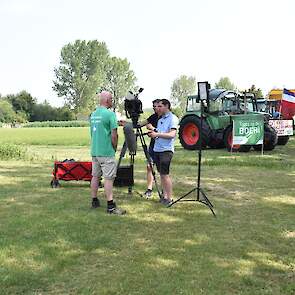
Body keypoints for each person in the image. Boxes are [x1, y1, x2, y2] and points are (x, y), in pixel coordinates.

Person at [90, 91, 126, 215]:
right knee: (109, 179)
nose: (112, 101)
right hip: (106, 151)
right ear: (106, 100)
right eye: (111, 99)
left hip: (95, 151)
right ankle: (110, 206)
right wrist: (114, 148)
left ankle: (94, 200)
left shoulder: (93, 114)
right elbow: (114, 135)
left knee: (95, 176)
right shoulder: (110, 115)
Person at [148, 99, 179, 206]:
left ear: (167, 106)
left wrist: (156, 135)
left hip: (166, 150)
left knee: (165, 175)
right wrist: (153, 132)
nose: (157, 108)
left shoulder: (173, 118)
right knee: (161, 174)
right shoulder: (160, 118)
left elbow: (172, 134)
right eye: (157, 106)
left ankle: (169, 198)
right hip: (157, 149)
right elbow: (160, 132)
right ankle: (164, 197)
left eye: (160, 106)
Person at [139, 99, 161, 198]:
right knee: (149, 166)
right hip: (153, 146)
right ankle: (149, 189)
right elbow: (142, 123)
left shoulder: (167, 117)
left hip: (162, 147)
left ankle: (165, 191)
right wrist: (127, 123)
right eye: (153, 106)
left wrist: (153, 129)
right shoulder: (153, 117)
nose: (155, 108)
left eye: (156, 106)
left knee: (162, 169)